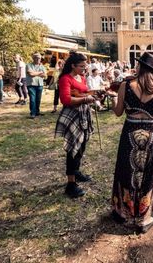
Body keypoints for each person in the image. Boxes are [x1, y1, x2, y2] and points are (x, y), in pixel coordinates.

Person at [110, 52, 153, 233]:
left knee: (127, 169)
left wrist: (113, 101)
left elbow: (117, 112)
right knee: (149, 171)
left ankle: (124, 212)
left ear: (139, 67)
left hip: (130, 132)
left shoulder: (126, 85)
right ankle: (144, 217)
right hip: (151, 134)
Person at [55, 53, 96, 198]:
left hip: (83, 114)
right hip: (72, 115)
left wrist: (97, 93)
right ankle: (70, 184)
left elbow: (82, 93)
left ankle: (76, 172)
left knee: (82, 144)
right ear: (73, 65)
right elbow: (65, 99)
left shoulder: (82, 77)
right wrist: (86, 99)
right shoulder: (65, 78)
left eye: (85, 66)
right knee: (73, 147)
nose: (85, 69)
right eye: (82, 66)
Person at [26, 52, 47, 118]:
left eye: (39, 58)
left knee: (38, 99)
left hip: (39, 84)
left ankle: (37, 112)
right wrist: (40, 73)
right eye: (37, 58)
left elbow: (44, 75)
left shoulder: (42, 66)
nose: (38, 59)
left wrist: (35, 73)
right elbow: (31, 74)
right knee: (32, 99)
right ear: (33, 58)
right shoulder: (28, 65)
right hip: (31, 84)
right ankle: (32, 113)